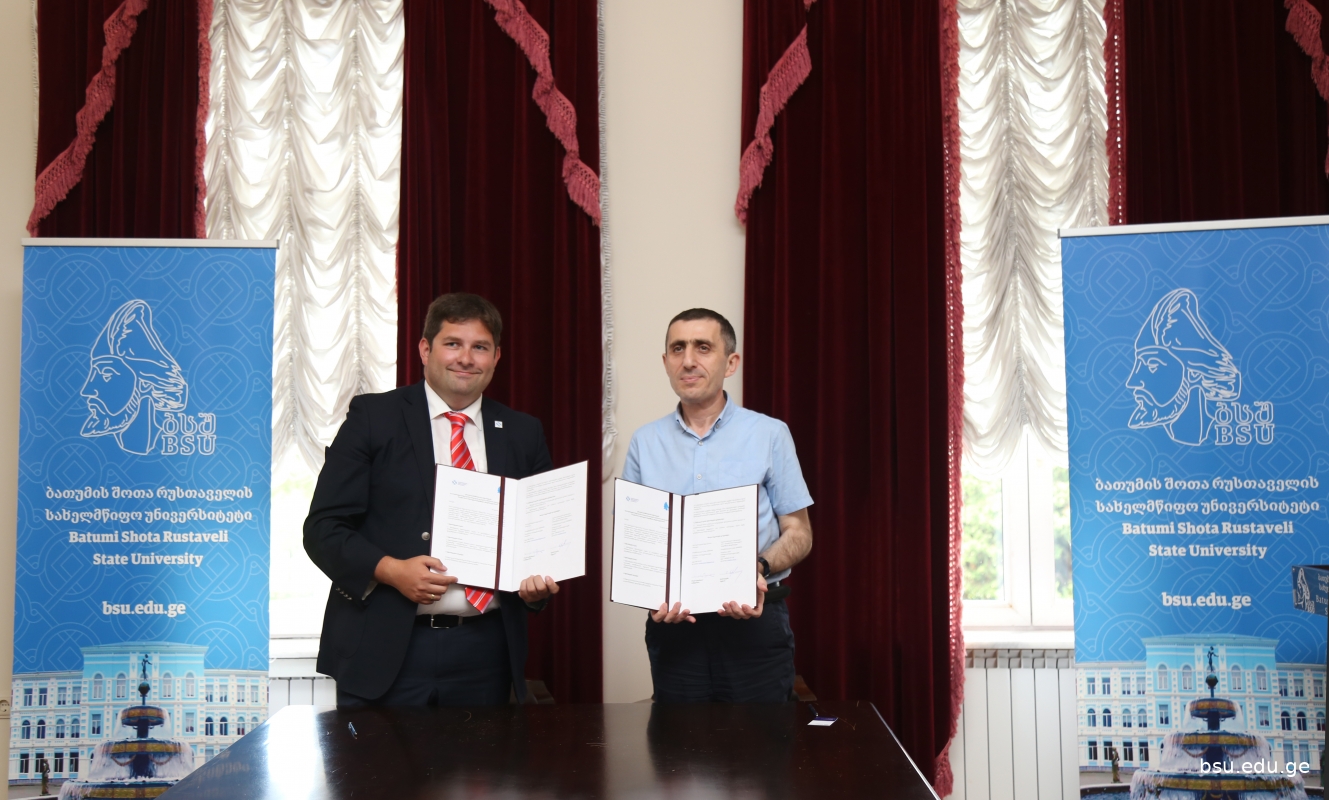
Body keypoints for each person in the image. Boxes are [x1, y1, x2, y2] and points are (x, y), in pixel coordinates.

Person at [305, 292, 560, 707]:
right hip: (385, 649)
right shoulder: (373, 417)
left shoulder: (522, 432)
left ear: (497, 357)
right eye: (453, 343)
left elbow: (539, 541)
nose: (466, 358)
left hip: (486, 654)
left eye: (480, 347)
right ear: (425, 349)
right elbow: (322, 529)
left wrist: (537, 587)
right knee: (376, 756)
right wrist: (391, 570)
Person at [623, 308, 813, 703]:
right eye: (678, 348)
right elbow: (635, 541)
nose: (688, 360)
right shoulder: (644, 442)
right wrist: (651, 592)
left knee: (761, 741)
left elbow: (799, 533)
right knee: (680, 741)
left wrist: (756, 568)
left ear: (731, 363)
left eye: (703, 347)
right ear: (666, 362)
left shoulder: (770, 434)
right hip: (674, 627)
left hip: (755, 624)